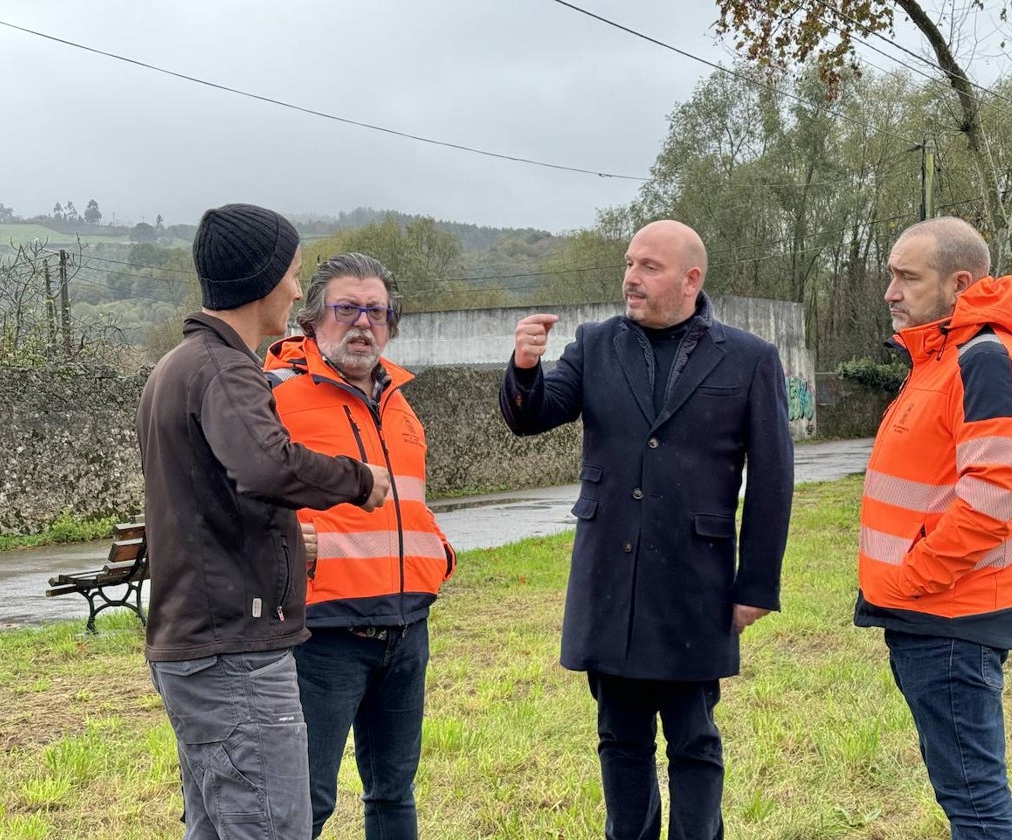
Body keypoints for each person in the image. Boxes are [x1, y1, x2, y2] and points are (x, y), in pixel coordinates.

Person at [499, 219, 794, 840]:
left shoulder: (748, 358)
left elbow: (772, 480)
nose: (631, 278)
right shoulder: (596, 342)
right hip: (611, 576)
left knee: (694, 737)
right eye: (629, 264)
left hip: (695, 580)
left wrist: (756, 585)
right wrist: (525, 368)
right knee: (620, 736)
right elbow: (537, 414)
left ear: (691, 279)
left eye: (649, 267)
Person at [136, 204, 390, 840]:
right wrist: (357, 481)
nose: (300, 290)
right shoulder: (225, 368)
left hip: (198, 644)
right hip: (234, 653)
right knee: (273, 828)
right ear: (264, 276)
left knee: (219, 828)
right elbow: (265, 466)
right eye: (296, 273)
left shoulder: (178, 366)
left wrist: (280, 535)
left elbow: (219, 496)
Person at [855, 216, 1012, 839]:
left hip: (949, 616)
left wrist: (911, 580)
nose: (891, 291)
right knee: (965, 792)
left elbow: (991, 499)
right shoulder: (941, 357)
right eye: (891, 275)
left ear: (959, 283)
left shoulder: (984, 359)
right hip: (930, 614)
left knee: (976, 803)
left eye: (908, 277)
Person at [264, 252, 456, 840]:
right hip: (321, 639)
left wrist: (438, 552)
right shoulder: (273, 394)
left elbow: (410, 502)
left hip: (406, 628)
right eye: (345, 308)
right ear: (312, 319)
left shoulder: (399, 402)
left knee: (394, 796)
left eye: (375, 310)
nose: (362, 322)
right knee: (306, 805)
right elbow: (235, 491)